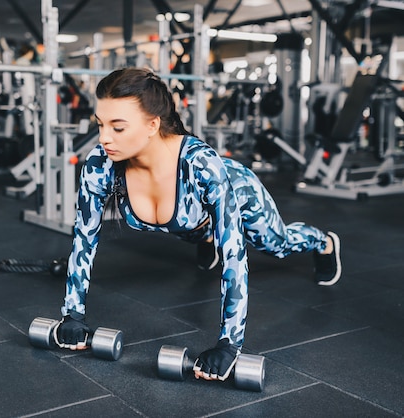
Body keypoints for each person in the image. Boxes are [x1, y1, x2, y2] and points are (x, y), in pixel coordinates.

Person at [56, 67, 342, 382]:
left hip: (238, 193)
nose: (104, 138)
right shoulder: (101, 165)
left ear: (153, 125)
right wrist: (73, 315)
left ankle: (323, 242)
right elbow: (84, 239)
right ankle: (206, 239)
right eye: (101, 124)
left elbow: (234, 254)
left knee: (276, 243)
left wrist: (229, 343)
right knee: (203, 231)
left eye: (118, 127)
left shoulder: (201, 166)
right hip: (194, 223)